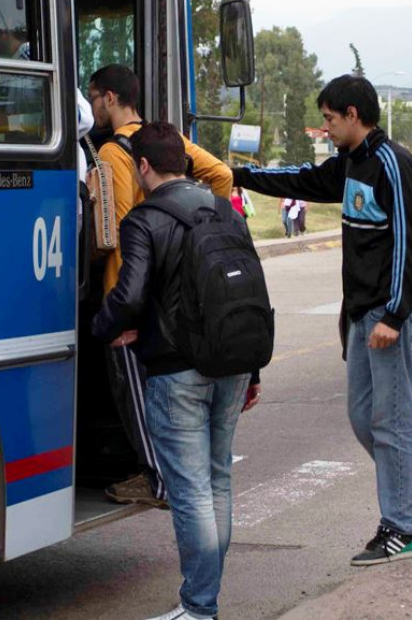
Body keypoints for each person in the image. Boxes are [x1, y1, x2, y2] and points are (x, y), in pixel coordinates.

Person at [233, 75, 412, 566]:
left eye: (331, 119)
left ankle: (401, 527)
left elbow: (411, 245)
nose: (326, 128)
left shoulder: (392, 164)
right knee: (363, 419)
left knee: (392, 422)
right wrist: (239, 177)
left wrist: (395, 315)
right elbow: (303, 180)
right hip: (359, 316)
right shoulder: (350, 163)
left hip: (386, 316)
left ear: (354, 115)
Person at [92, 122, 262, 620]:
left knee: (190, 491)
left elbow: (130, 293)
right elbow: (247, 290)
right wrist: (252, 373)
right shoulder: (226, 211)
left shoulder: (145, 218)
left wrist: (102, 327)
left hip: (176, 371)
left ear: (142, 166)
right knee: (217, 482)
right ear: (184, 162)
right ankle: (205, 596)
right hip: (231, 363)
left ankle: (199, 606)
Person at [89, 64, 233, 508]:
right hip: (171, 293)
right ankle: (164, 472)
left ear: (110, 98)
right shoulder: (168, 142)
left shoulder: (113, 153)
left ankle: (159, 479)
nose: (92, 106)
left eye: (93, 97)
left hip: (127, 287)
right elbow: (223, 176)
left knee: (133, 391)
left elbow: (112, 233)